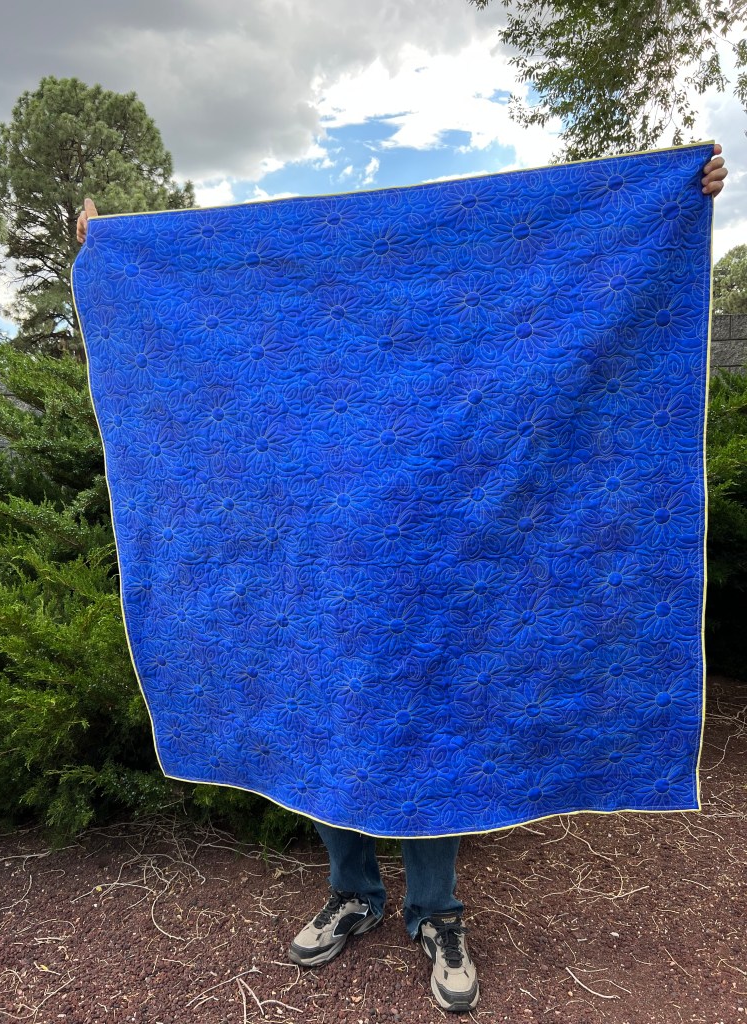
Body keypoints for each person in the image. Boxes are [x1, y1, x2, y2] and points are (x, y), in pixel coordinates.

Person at [76, 143, 728, 1014]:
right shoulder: (292, 349)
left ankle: (436, 914)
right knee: (322, 727)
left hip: (436, 567)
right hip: (315, 573)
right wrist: (112, 246)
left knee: (432, 733)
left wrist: (680, 193)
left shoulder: (446, 332)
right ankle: (353, 894)